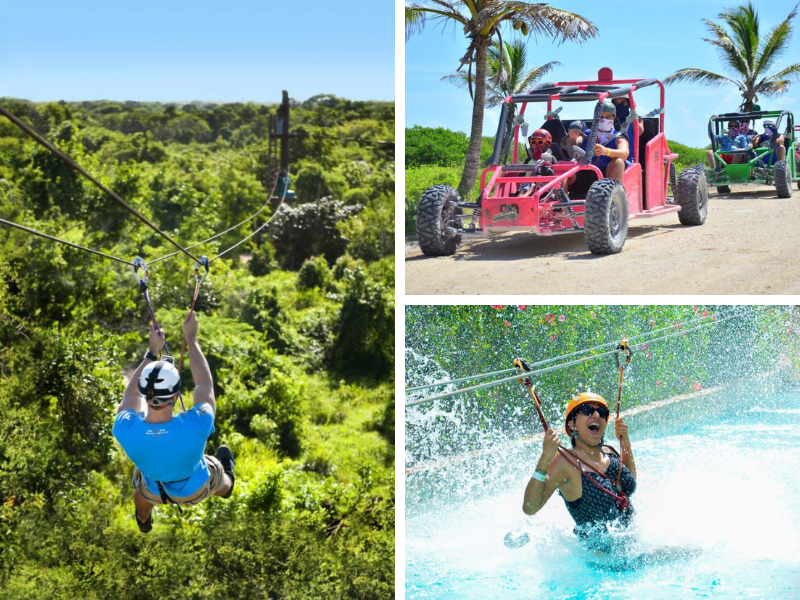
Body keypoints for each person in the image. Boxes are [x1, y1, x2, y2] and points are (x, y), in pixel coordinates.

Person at [112, 311, 235, 533]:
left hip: (154, 486)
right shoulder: (196, 425)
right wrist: (191, 339)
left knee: (141, 491)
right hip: (194, 488)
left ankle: (143, 517)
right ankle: (227, 486)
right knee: (217, 474)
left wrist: (151, 354)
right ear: (176, 396)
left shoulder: (125, 429)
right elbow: (204, 386)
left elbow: (129, 399)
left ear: (144, 394)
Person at [522, 393, 636, 543]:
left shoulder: (609, 452)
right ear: (572, 424)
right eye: (588, 410)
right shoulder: (567, 463)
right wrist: (545, 458)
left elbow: (629, 484)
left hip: (633, 545)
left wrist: (625, 442)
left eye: (602, 413)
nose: (596, 415)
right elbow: (530, 508)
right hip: (603, 562)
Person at [584, 100, 632, 183]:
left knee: (619, 162)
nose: (604, 120)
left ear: (613, 118)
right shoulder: (586, 134)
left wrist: (606, 151)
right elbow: (575, 141)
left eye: (608, 117)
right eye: (600, 116)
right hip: (585, 171)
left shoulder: (618, 137)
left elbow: (624, 154)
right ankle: (558, 195)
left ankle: (613, 195)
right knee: (563, 165)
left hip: (607, 173)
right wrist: (572, 138)